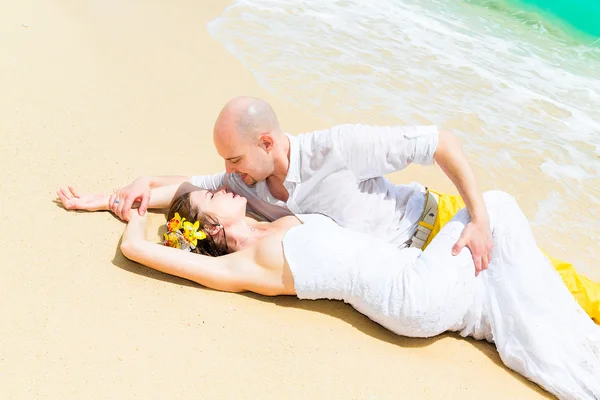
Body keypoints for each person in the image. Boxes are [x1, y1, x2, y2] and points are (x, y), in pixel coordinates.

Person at [57, 184, 600, 400]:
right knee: (495, 208)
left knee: (495, 266)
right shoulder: (249, 264)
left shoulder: (269, 227)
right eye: (213, 196)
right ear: (212, 231)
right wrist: (129, 221)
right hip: (411, 298)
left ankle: (574, 345)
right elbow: (141, 252)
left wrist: (111, 194)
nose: (225, 186)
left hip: (416, 284)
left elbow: (179, 186)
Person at [105, 96, 600, 322]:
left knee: (556, 288)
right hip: (413, 269)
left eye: (233, 159)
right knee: (522, 313)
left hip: (432, 224)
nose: (227, 172)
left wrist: (482, 220)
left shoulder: (337, 149)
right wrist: (135, 189)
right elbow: (191, 191)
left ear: (266, 141)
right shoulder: (246, 186)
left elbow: (442, 143)